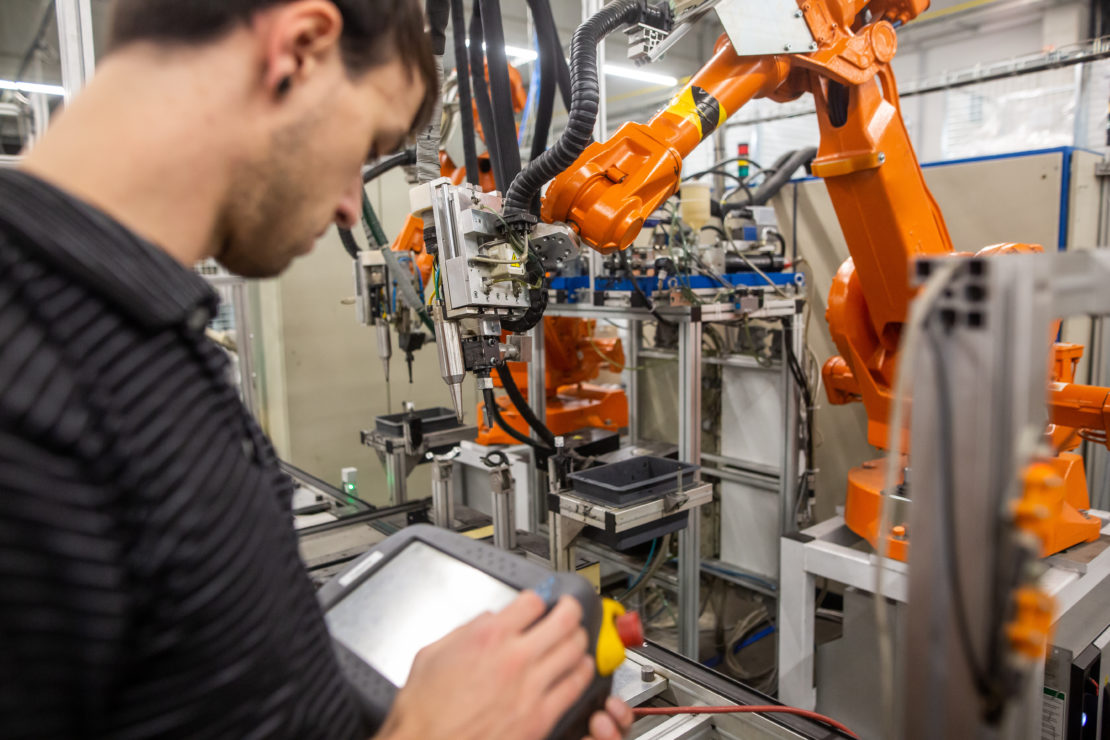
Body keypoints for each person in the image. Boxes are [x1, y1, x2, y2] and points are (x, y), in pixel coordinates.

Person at [0, 1, 634, 738]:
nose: (346, 205)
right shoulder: (31, 391)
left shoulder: (138, 340)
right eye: (365, 143)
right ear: (299, 49)